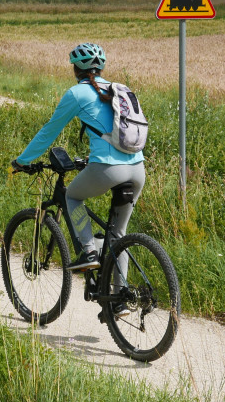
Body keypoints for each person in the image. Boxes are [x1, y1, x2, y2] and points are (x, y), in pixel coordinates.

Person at [11, 42, 146, 278]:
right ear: (101, 68)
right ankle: (119, 301)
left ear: (76, 69)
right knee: (118, 234)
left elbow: (48, 132)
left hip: (109, 168)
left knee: (72, 196)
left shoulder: (77, 93)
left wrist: (22, 160)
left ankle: (89, 252)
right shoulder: (120, 88)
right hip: (137, 169)